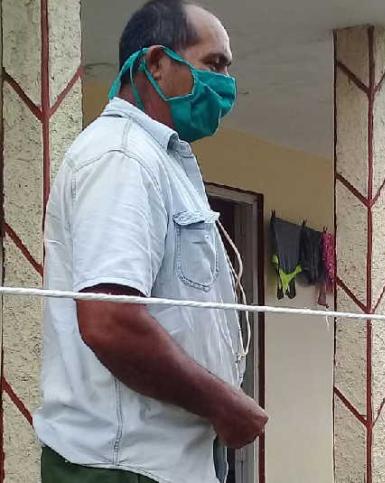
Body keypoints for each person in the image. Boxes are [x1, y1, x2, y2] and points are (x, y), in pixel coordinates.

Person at [34, 1, 268, 482]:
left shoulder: (159, 160)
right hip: (125, 466)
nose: (226, 84)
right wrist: (224, 404)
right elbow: (110, 322)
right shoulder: (123, 157)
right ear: (156, 63)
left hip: (164, 460)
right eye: (214, 64)